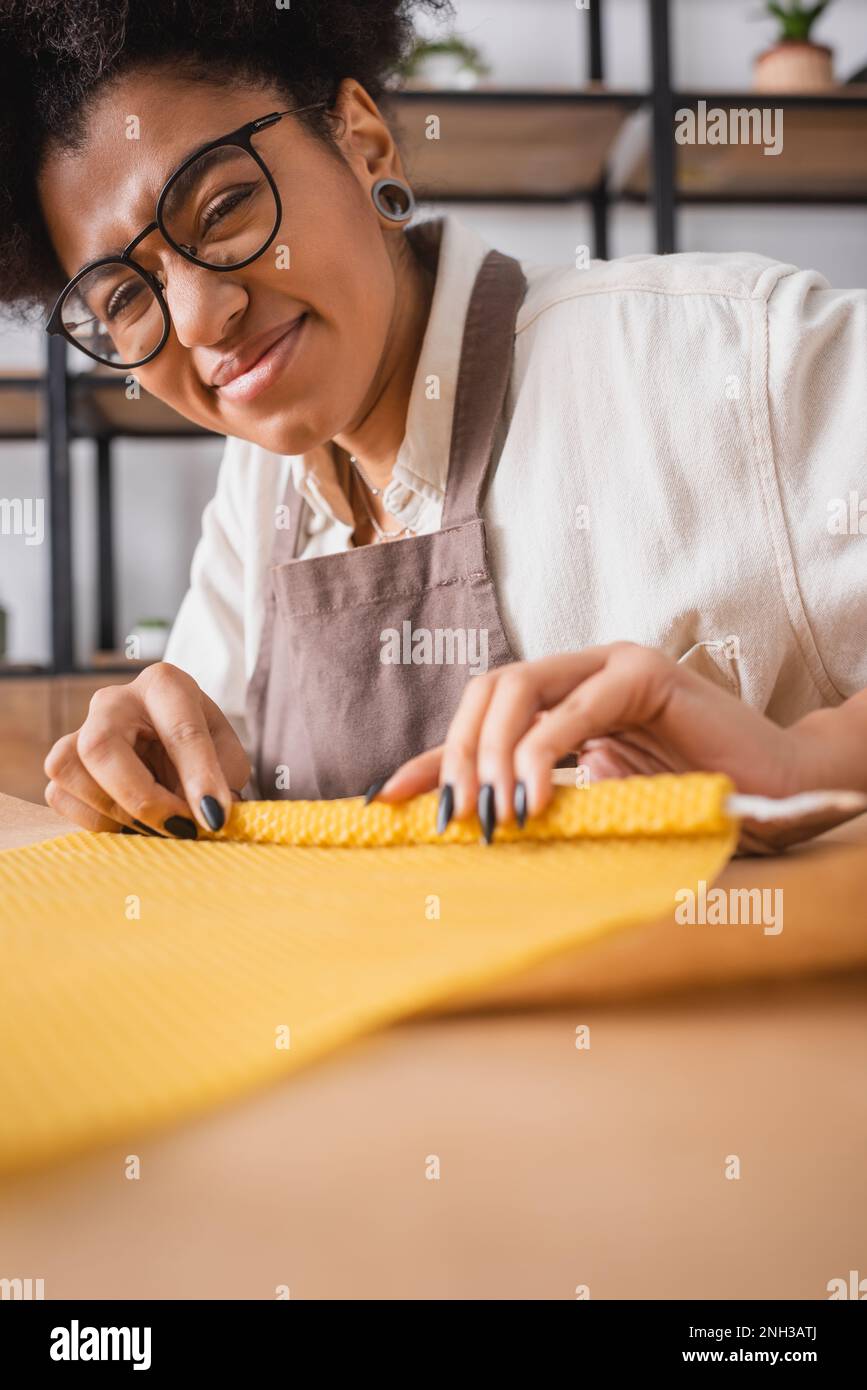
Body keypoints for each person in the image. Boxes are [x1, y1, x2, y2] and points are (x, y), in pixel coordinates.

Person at [1, 0, 864, 849]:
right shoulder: (257, 492)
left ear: (361, 142)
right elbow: (213, 766)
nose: (196, 320)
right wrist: (154, 764)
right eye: (122, 296)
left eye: (223, 209)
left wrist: (808, 760)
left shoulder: (720, 355)